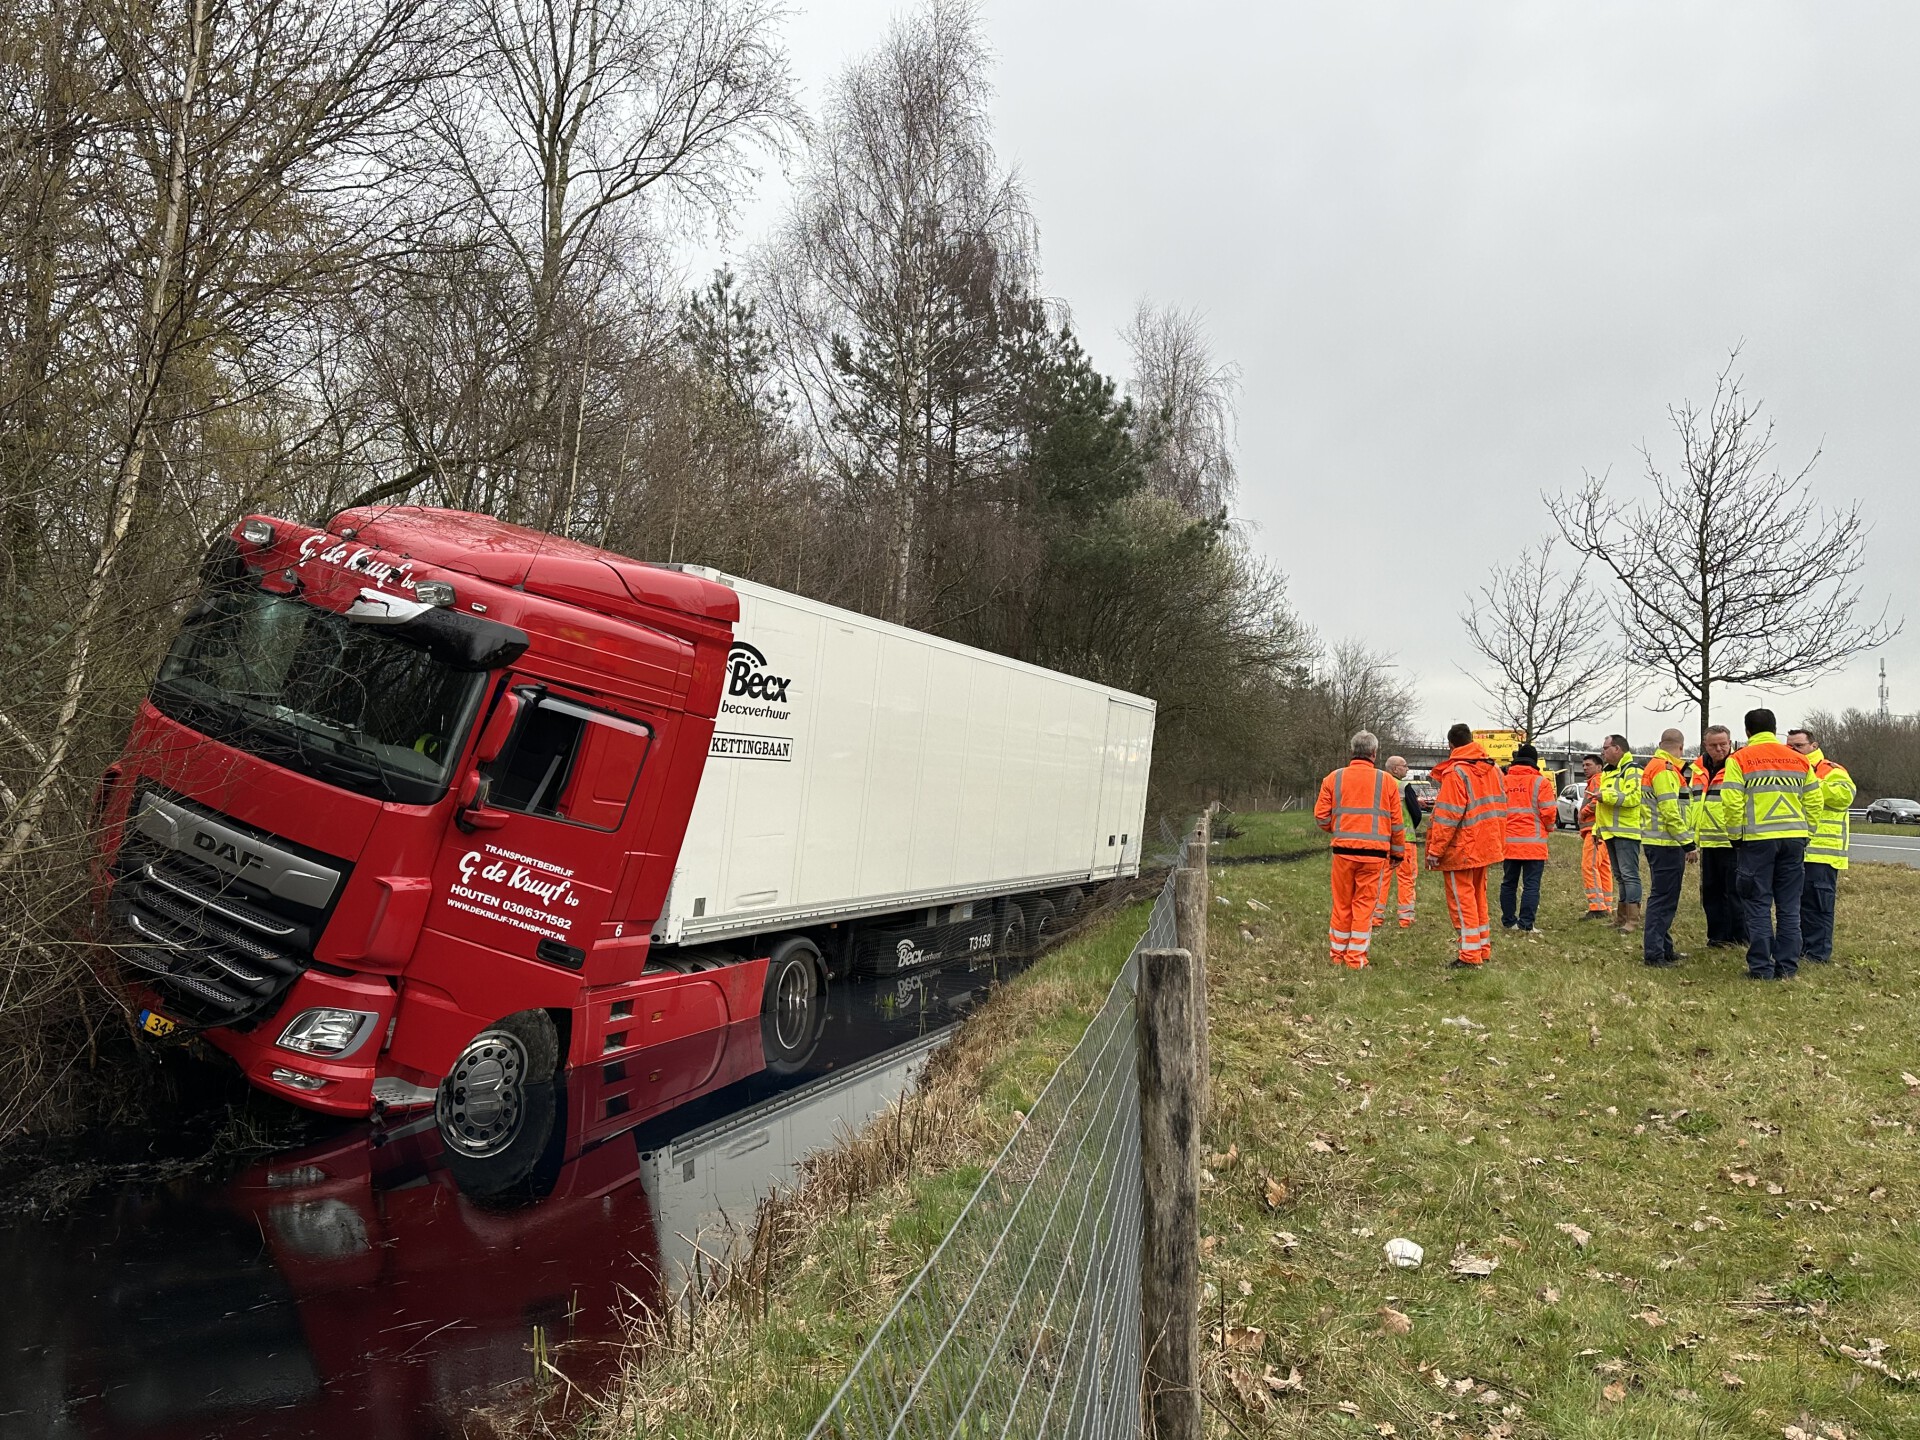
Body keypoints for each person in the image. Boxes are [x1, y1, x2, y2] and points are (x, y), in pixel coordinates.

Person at [1720, 707, 1819, 981]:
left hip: (1757, 842)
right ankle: (1787, 967)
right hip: (1794, 840)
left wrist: (1735, 836)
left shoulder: (1740, 759)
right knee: (1789, 907)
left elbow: (1731, 802)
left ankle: (1761, 968)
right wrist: (1807, 833)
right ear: (1775, 730)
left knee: (1758, 905)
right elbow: (1814, 800)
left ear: (1747, 731)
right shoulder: (1799, 760)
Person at [1314, 730, 1406, 969]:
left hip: (1343, 851)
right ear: (1374, 753)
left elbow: (1321, 817)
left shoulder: (1333, 778)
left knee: (1342, 903)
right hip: (1375, 854)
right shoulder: (1387, 781)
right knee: (1364, 905)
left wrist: (1339, 828)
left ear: (1352, 751)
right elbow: (1397, 823)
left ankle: (1337, 954)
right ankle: (1356, 958)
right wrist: (1397, 852)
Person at [1424, 722, 1507, 968]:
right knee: (1478, 898)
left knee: (1462, 902)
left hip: (1461, 847)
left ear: (1450, 745)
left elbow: (1447, 816)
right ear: (1471, 740)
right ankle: (1482, 948)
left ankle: (1469, 955)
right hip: (1486, 844)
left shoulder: (1456, 772)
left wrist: (1435, 850)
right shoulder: (1493, 769)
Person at [1788, 725, 1854, 964]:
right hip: (1796, 849)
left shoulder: (1830, 770)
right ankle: (1800, 949)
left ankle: (1817, 953)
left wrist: (1808, 783)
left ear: (1814, 746)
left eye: (1799, 746)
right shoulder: (1789, 769)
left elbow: (1844, 797)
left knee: (1818, 904)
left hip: (1823, 853)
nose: (1793, 750)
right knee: (1795, 905)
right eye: (1790, 746)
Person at [1639, 727, 1696, 967]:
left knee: (1663, 897)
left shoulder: (1655, 766)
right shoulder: (1665, 770)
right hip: (1666, 842)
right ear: (1681, 747)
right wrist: (1687, 843)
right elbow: (1670, 811)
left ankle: (1664, 947)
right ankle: (1655, 954)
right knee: (1663, 899)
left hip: (1657, 840)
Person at [1687, 726, 1745, 950]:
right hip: (1708, 840)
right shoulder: (1697, 769)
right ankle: (1718, 936)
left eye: (1723, 744)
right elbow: (1693, 805)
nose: (1719, 749)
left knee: (1735, 892)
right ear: (1705, 745)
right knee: (1711, 892)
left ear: (1730, 743)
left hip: (1732, 840)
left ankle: (1740, 936)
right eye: (1713, 745)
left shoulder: (1738, 765)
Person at [1498, 742, 1555, 934]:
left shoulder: (1504, 781)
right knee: (1531, 885)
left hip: (1508, 843)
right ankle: (1526, 924)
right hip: (1534, 844)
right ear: (1534, 761)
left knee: (1508, 883)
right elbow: (1549, 812)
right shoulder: (1541, 782)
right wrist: (1549, 827)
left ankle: (1508, 921)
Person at [1593, 734, 1645, 933]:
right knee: (1621, 876)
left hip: (1627, 831)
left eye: (1605, 748)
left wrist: (1606, 796)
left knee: (1629, 876)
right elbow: (1602, 807)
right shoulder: (1609, 771)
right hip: (1610, 832)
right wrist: (1597, 829)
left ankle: (1632, 920)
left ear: (1617, 748)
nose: (1603, 752)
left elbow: (1634, 797)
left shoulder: (1632, 770)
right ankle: (1621, 918)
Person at [1372, 755, 1421, 929]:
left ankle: (1375, 917)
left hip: (1382, 840)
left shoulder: (1377, 785)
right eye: (1404, 766)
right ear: (1395, 769)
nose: (1407, 769)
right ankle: (1405, 919)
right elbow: (1416, 813)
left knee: (1380, 879)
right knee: (1406, 878)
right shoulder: (1404, 786)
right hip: (1405, 840)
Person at [1577, 754, 1614, 920]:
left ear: (1599, 767)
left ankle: (1597, 907)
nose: (1585, 768)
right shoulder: (1599, 779)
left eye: (1588, 765)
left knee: (1589, 866)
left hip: (1595, 832)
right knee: (1603, 868)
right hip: (1602, 832)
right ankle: (1606, 905)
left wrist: (1583, 813)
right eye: (1583, 765)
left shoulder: (1597, 780)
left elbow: (1597, 800)